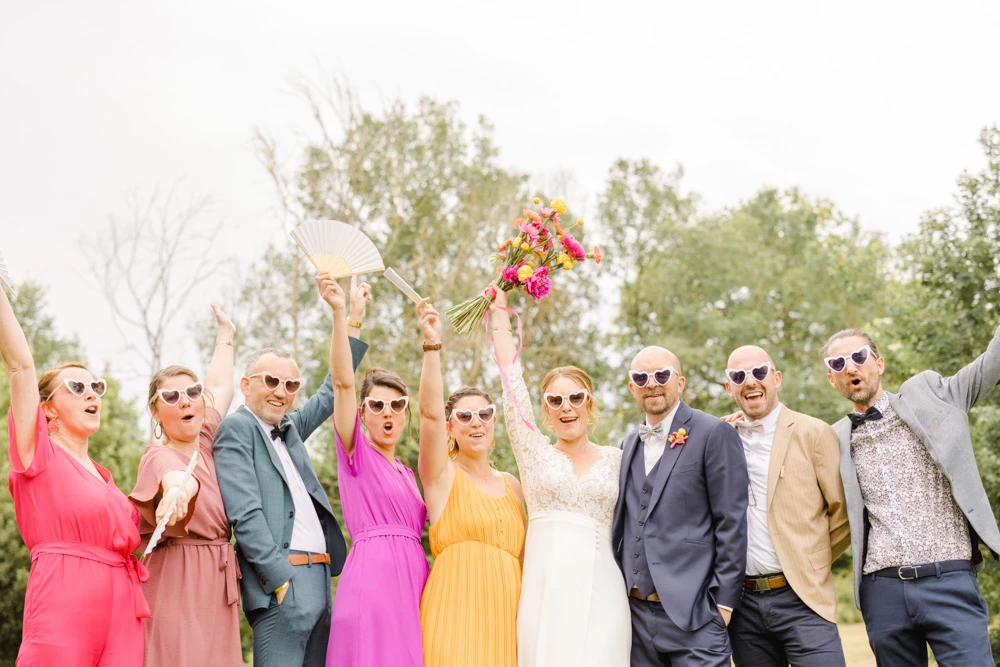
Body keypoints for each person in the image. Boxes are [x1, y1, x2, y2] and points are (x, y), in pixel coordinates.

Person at [214, 274, 369, 667]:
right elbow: (245, 513)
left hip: (320, 579)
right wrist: (279, 580)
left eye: (291, 384)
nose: (282, 391)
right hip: (283, 583)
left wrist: (348, 320)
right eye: (271, 381)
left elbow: (334, 390)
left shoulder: (290, 430)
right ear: (246, 384)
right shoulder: (238, 429)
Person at [823, 327, 1000, 665]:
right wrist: (744, 426)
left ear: (880, 363)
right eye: (838, 363)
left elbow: (991, 364)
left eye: (859, 356)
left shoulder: (937, 398)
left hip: (949, 579)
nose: (850, 367)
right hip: (883, 592)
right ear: (832, 379)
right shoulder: (833, 438)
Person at [1, 280, 149, 665]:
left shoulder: (107, 479)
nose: (92, 394)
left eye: (95, 386)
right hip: (63, 597)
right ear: (47, 409)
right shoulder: (38, 454)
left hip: (123, 606)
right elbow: (20, 365)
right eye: (77, 386)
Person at [490, 288, 631, 666]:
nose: (566, 407)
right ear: (546, 411)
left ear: (590, 404)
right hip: (546, 588)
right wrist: (500, 316)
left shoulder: (620, 459)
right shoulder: (533, 453)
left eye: (575, 398)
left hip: (604, 590)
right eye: (555, 400)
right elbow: (511, 385)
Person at [612, 346, 748, 667]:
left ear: (680, 382)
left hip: (695, 618)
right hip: (633, 619)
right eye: (640, 377)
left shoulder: (714, 432)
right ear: (632, 387)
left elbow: (732, 521)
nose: (652, 383)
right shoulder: (626, 445)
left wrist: (724, 605)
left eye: (661, 375)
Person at [721, 345, 850, 667]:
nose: (750, 381)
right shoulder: (721, 438)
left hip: (804, 599)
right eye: (739, 376)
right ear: (729, 387)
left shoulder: (814, 432)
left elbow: (843, 512)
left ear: (776, 378)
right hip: (744, 605)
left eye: (759, 372)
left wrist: (808, 560)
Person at [129, 304, 242, 667]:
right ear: (155, 411)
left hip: (217, 581)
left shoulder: (207, 440)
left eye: (191, 392)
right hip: (178, 581)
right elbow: (176, 480)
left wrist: (226, 334)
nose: (185, 401)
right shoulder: (157, 456)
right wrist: (178, 493)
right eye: (171, 397)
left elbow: (220, 385)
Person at [416, 297, 526, 667]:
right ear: (451, 427)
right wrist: (432, 346)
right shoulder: (441, 476)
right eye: (464, 416)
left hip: (507, 622)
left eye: (485, 413)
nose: (476, 422)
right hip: (454, 614)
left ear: (495, 420)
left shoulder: (513, 485)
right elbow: (429, 414)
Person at [325, 276, 428, 667]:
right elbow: (341, 382)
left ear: (405, 413)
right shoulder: (357, 452)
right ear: (363, 413)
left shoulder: (407, 471)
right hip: (374, 578)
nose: (388, 413)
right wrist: (345, 317)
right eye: (378, 405)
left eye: (397, 405)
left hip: (414, 576)